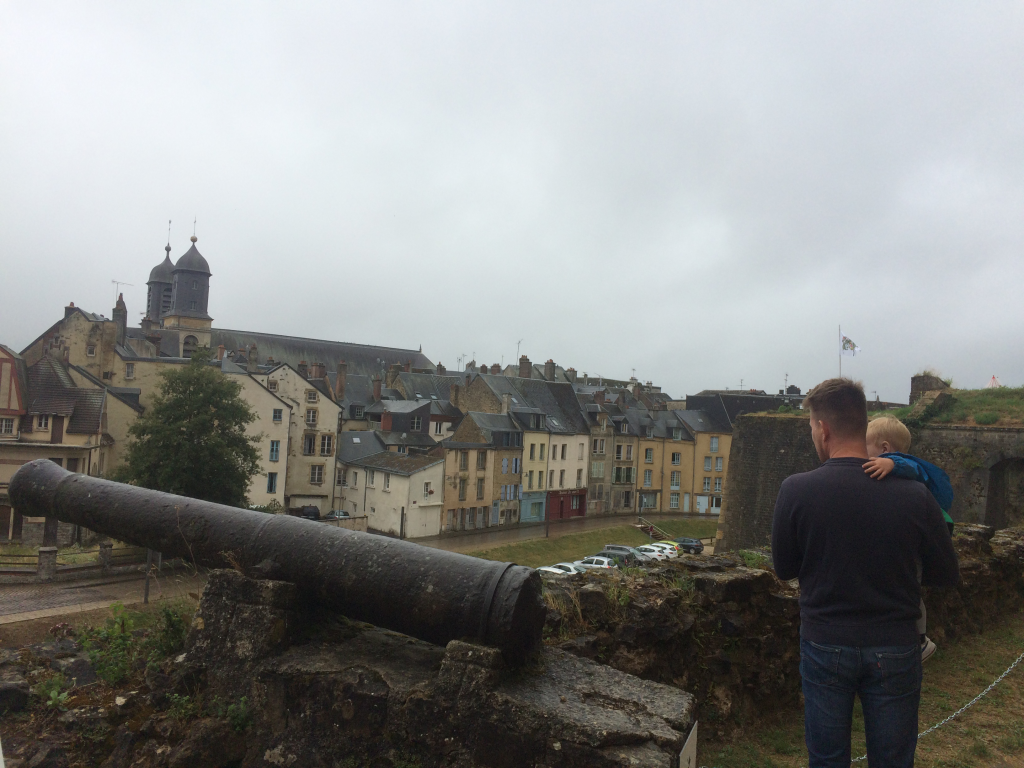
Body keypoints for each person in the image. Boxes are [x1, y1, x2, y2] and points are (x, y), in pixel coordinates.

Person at [772, 378, 959, 768]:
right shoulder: (915, 494)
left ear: (824, 429)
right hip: (895, 641)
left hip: (825, 639)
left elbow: (785, 568)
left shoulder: (796, 489)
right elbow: (944, 572)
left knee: (827, 759)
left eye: (811, 427)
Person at [863, 415, 956, 663]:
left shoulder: (901, 464)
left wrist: (891, 463)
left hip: (918, 543)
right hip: (915, 540)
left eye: (865, 446)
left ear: (884, 448)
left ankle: (921, 641)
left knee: (912, 590)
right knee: (910, 589)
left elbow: (912, 469)